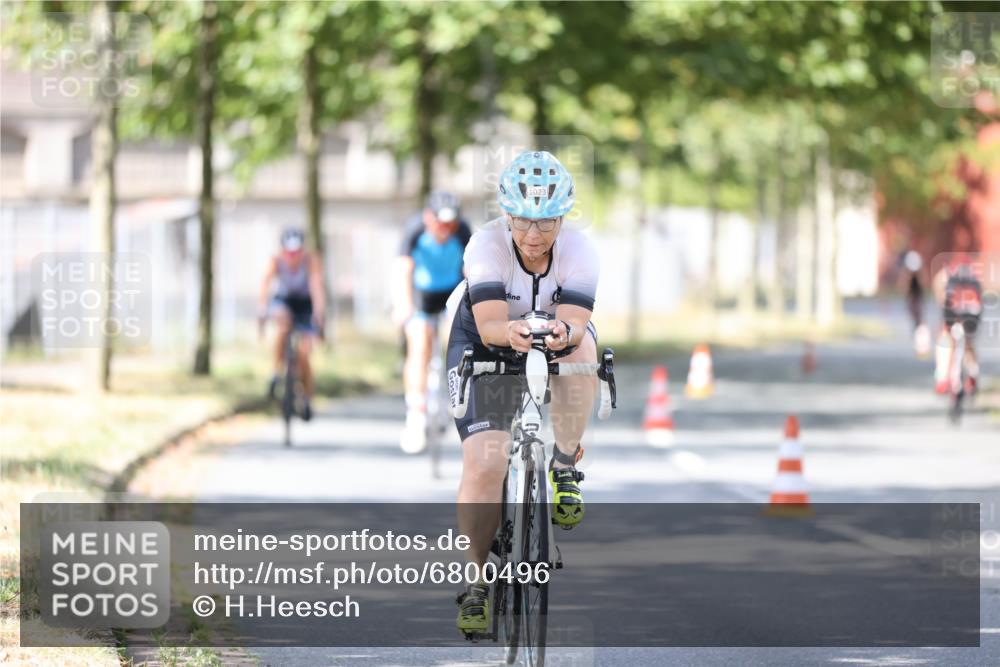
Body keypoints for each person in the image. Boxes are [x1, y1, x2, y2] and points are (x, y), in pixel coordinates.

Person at [449, 151, 599, 635]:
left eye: (547, 223)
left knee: (583, 356)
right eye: (523, 221)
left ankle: (564, 463)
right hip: (485, 339)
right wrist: (510, 333)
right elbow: (492, 322)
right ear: (506, 214)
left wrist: (564, 333)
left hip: (553, 336)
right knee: (487, 462)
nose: (534, 236)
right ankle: (475, 583)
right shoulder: (484, 246)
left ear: (564, 218)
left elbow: (577, 324)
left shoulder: (580, 252)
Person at [392, 190, 472, 453]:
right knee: (420, 343)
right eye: (440, 223)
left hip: (451, 292)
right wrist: (403, 305)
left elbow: (471, 271)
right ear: (428, 217)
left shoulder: (463, 232)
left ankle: (458, 392)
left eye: (451, 224)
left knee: (459, 339)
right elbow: (404, 269)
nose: (445, 229)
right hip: (421, 296)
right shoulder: (414, 230)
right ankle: (415, 413)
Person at [257, 228, 326, 420]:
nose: (292, 257)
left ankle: (306, 396)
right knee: (282, 325)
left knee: (305, 352)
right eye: (289, 253)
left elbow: (316, 287)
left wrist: (319, 315)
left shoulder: (311, 261)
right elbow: (265, 286)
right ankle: (275, 373)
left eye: (296, 252)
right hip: (284, 301)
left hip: (305, 304)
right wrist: (261, 312)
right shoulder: (275, 261)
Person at [932, 254, 983, 395]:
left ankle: (942, 377)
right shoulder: (974, 277)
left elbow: (940, 294)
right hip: (972, 314)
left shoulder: (945, 275)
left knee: (944, 338)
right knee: (968, 342)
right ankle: (973, 373)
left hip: (955, 312)